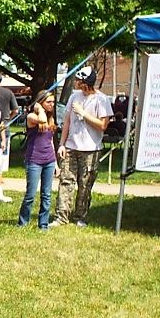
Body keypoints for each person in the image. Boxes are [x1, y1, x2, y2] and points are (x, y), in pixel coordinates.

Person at [54, 67, 113, 227]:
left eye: (78, 80)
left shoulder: (101, 99)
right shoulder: (74, 96)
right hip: (71, 147)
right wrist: (62, 144)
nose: (76, 82)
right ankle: (61, 217)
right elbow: (67, 121)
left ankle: (80, 217)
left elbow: (103, 125)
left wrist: (83, 113)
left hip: (91, 149)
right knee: (66, 181)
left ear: (86, 82)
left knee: (85, 184)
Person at [17, 91, 58, 229]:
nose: (52, 104)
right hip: (34, 160)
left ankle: (43, 224)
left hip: (49, 160)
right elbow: (42, 120)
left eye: (53, 102)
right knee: (30, 195)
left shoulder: (51, 119)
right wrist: (39, 109)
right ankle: (23, 222)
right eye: (48, 102)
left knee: (46, 195)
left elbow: (50, 141)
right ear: (40, 102)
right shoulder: (31, 117)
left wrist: (56, 163)